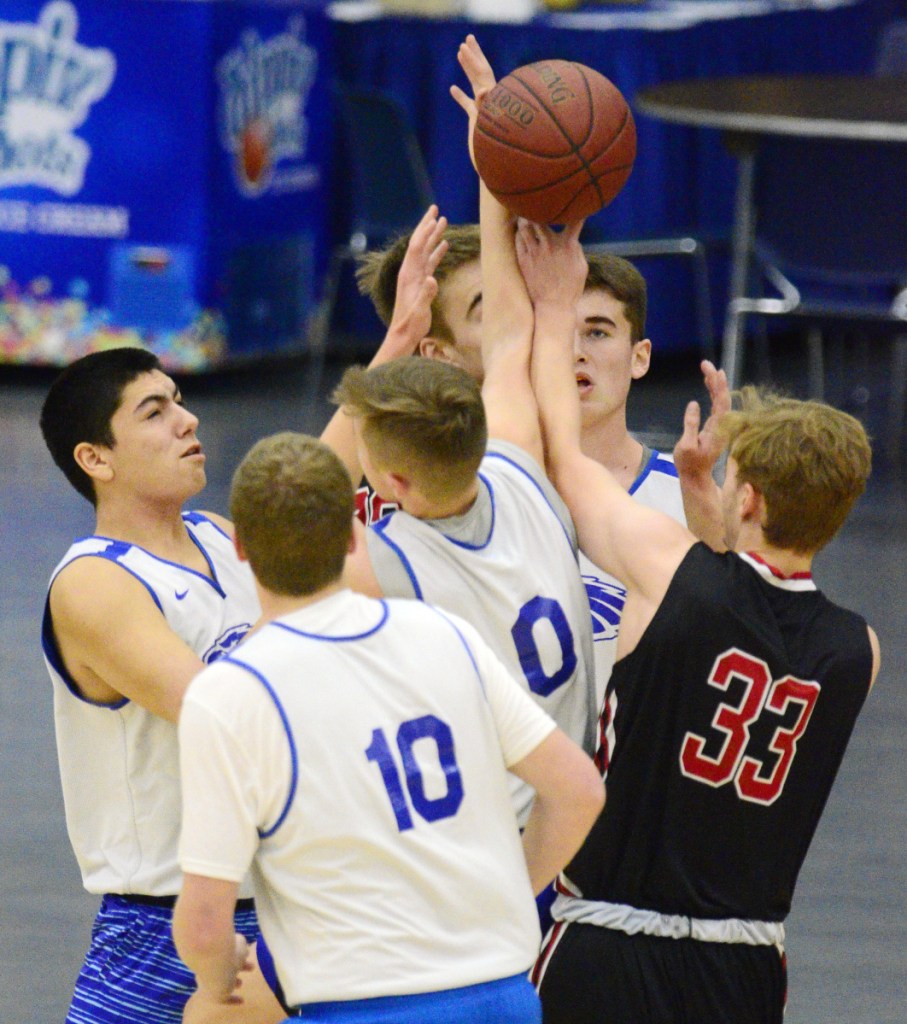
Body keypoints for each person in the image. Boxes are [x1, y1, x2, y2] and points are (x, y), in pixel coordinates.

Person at [517, 218, 881, 1024]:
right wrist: (697, 490)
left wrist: (549, 310)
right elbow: (744, 601)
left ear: (744, 498)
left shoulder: (667, 567)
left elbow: (565, 461)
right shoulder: (858, 648)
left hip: (608, 939)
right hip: (743, 961)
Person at [172, 431, 605, 1023]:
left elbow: (201, 924)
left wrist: (219, 975)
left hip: (362, 1002)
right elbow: (579, 789)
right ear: (355, 535)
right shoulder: (443, 633)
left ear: (241, 547)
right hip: (500, 996)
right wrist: (510, 892)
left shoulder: (229, 693)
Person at [352, 49, 685, 711]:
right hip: (562, 785)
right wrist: (496, 170)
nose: (530, 316)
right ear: (435, 349)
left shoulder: (405, 528)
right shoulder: (527, 477)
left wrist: (499, 165)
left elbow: (506, 345)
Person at [39, 348, 282, 1024]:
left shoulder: (218, 535)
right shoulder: (94, 580)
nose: (187, 419)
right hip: (163, 926)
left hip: (284, 902)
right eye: (155, 410)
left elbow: (306, 531)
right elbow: (222, 712)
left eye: (178, 400)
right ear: (96, 459)